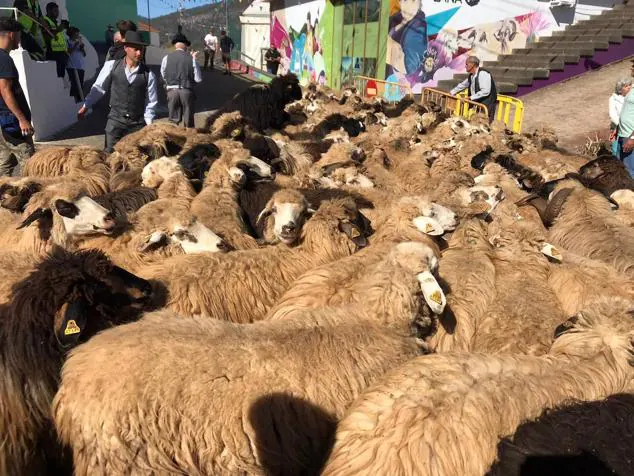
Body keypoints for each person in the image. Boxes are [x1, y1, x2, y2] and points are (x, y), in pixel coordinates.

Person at [78, 31, 158, 153]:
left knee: (136, 159)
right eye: (136, 49)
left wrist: (149, 125)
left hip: (137, 125)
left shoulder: (149, 74)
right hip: (115, 123)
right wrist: (86, 106)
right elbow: (99, 88)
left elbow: (151, 103)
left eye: (141, 50)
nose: (139, 53)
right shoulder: (111, 66)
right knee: (110, 156)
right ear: (126, 48)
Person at [0, 17, 34, 176]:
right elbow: (5, 90)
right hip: (12, 121)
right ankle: (28, 198)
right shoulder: (4, 59)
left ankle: (3, 197)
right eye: (20, 35)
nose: (20, 40)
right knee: (30, 165)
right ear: (12, 35)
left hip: (3, 121)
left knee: (4, 164)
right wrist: (22, 119)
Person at [161, 33, 202, 128]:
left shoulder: (166, 58)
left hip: (172, 91)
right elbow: (198, 79)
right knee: (189, 122)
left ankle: (173, 139)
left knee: (173, 123)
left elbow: (163, 75)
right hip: (187, 91)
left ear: (175, 45)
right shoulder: (191, 59)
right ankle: (190, 140)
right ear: (184, 45)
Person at [450, 55, 498, 124]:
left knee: (485, 123)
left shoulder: (483, 74)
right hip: (479, 103)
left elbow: (485, 91)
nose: (465, 66)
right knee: (477, 123)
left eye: (466, 64)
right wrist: (451, 92)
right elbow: (463, 85)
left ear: (472, 65)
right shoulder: (472, 75)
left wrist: (470, 98)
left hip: (487, 104)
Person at [41, 2, 69, 79]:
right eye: (55, 10)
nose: (57, 13)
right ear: (49, 11)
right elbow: (46, 36)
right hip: (52, 53)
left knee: (61, 76)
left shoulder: (56, 23)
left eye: (58, 11)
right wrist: (58, 29)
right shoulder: (45, 21)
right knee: (55, 77)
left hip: (61, 53)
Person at [608, 78, 632, 157]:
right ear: (620, 89)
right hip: (617, 129)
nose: (629, 87)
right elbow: (612, 115)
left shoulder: (631, 97)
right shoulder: (613, 99)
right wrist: (621, 125)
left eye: (629, 85)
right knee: (616, 150)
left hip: (630, 129)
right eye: (626, 86)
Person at [617, 85, 634, 178]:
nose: (631, 69)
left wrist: (632, 138)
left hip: (630, 136)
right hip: (623, 135)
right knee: (621, 168)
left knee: (630, 171)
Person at [66, 26, 86, 103]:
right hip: (72, 66)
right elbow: (68, 53)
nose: (78, 34)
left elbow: (84, 54)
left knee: (80, 84)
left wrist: (82, 48)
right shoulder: (67, 42)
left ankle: (80, 100)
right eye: (76, 33)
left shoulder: (80, 42)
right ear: (72, 34)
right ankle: (73, 101)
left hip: (80, 66)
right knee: (74, 84)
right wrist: (75, 45)